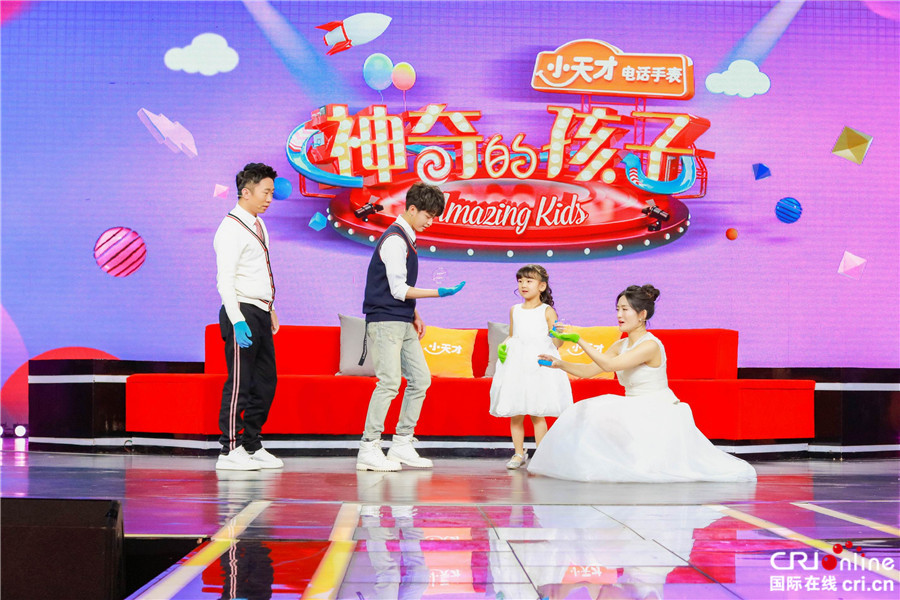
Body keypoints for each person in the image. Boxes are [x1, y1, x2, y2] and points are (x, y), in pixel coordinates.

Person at [529, 284, 757, 482]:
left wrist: (579, 340)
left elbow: (610, 366)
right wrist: (559, 364)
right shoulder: (620, 344)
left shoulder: (650, 345)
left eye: (625, 309)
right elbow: (590, 370)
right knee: (584, 410)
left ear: (642, 314)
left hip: (656, 407)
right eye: (617, 309)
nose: (619, 315)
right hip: (633, 406)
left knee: (600, 411)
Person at [357, 182, 465, 472]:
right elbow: (398, 289)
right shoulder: (395, 240)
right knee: (389, 383)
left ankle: (402, 443)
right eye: (428, 215)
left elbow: (400, 287)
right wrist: (439, 293)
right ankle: (369, 447)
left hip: (402, 320)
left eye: (434, 217)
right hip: (385, 321)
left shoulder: (407, 237)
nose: (431, 222)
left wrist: (415, 313)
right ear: (413, 209)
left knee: (420, 379)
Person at [213, 163, 283, 471]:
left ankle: (252, 443)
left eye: (271, 193)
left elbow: (257, 271)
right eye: (265, 192)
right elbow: (225, 280)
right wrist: (237, 319)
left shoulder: (258, 224)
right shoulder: (230, 229)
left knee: (266, 381)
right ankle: (229, 449)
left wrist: (270, 307)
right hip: (241, 311)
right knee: (240, 381)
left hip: (260, 310)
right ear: (246, 192)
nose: (269, 199)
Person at [489, 265, 573, 469]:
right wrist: (503, 346)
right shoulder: (514, 310)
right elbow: (512, 335)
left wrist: (560, 334)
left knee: (537, 411)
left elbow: (556, 343)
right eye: (520, 281)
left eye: (529, 281)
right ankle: (519, 453)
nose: (523, 285)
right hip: (516, 364)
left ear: (541, 286)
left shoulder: (547, 311)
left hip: (537, 365)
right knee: (516, 411)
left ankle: (542, 455)